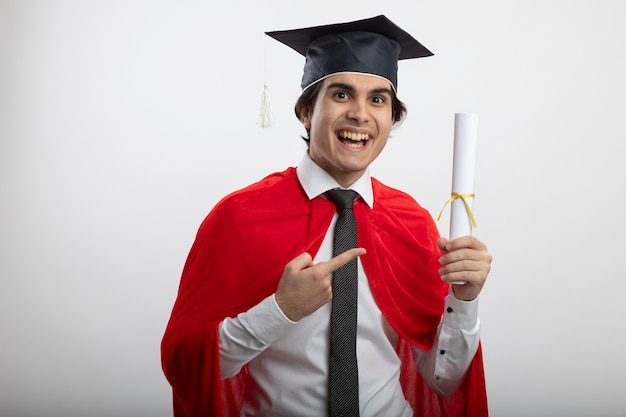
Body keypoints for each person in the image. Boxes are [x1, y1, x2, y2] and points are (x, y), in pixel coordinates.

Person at [161, 15, 492, 417]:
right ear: (306, 111)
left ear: (391, 120)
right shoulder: (241, 216)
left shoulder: (410, 222)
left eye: (377, 100)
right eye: (341, 95)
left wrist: (465, 300)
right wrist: (279, 310)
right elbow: (189, 368)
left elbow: (444, 379)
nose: (360, 114)